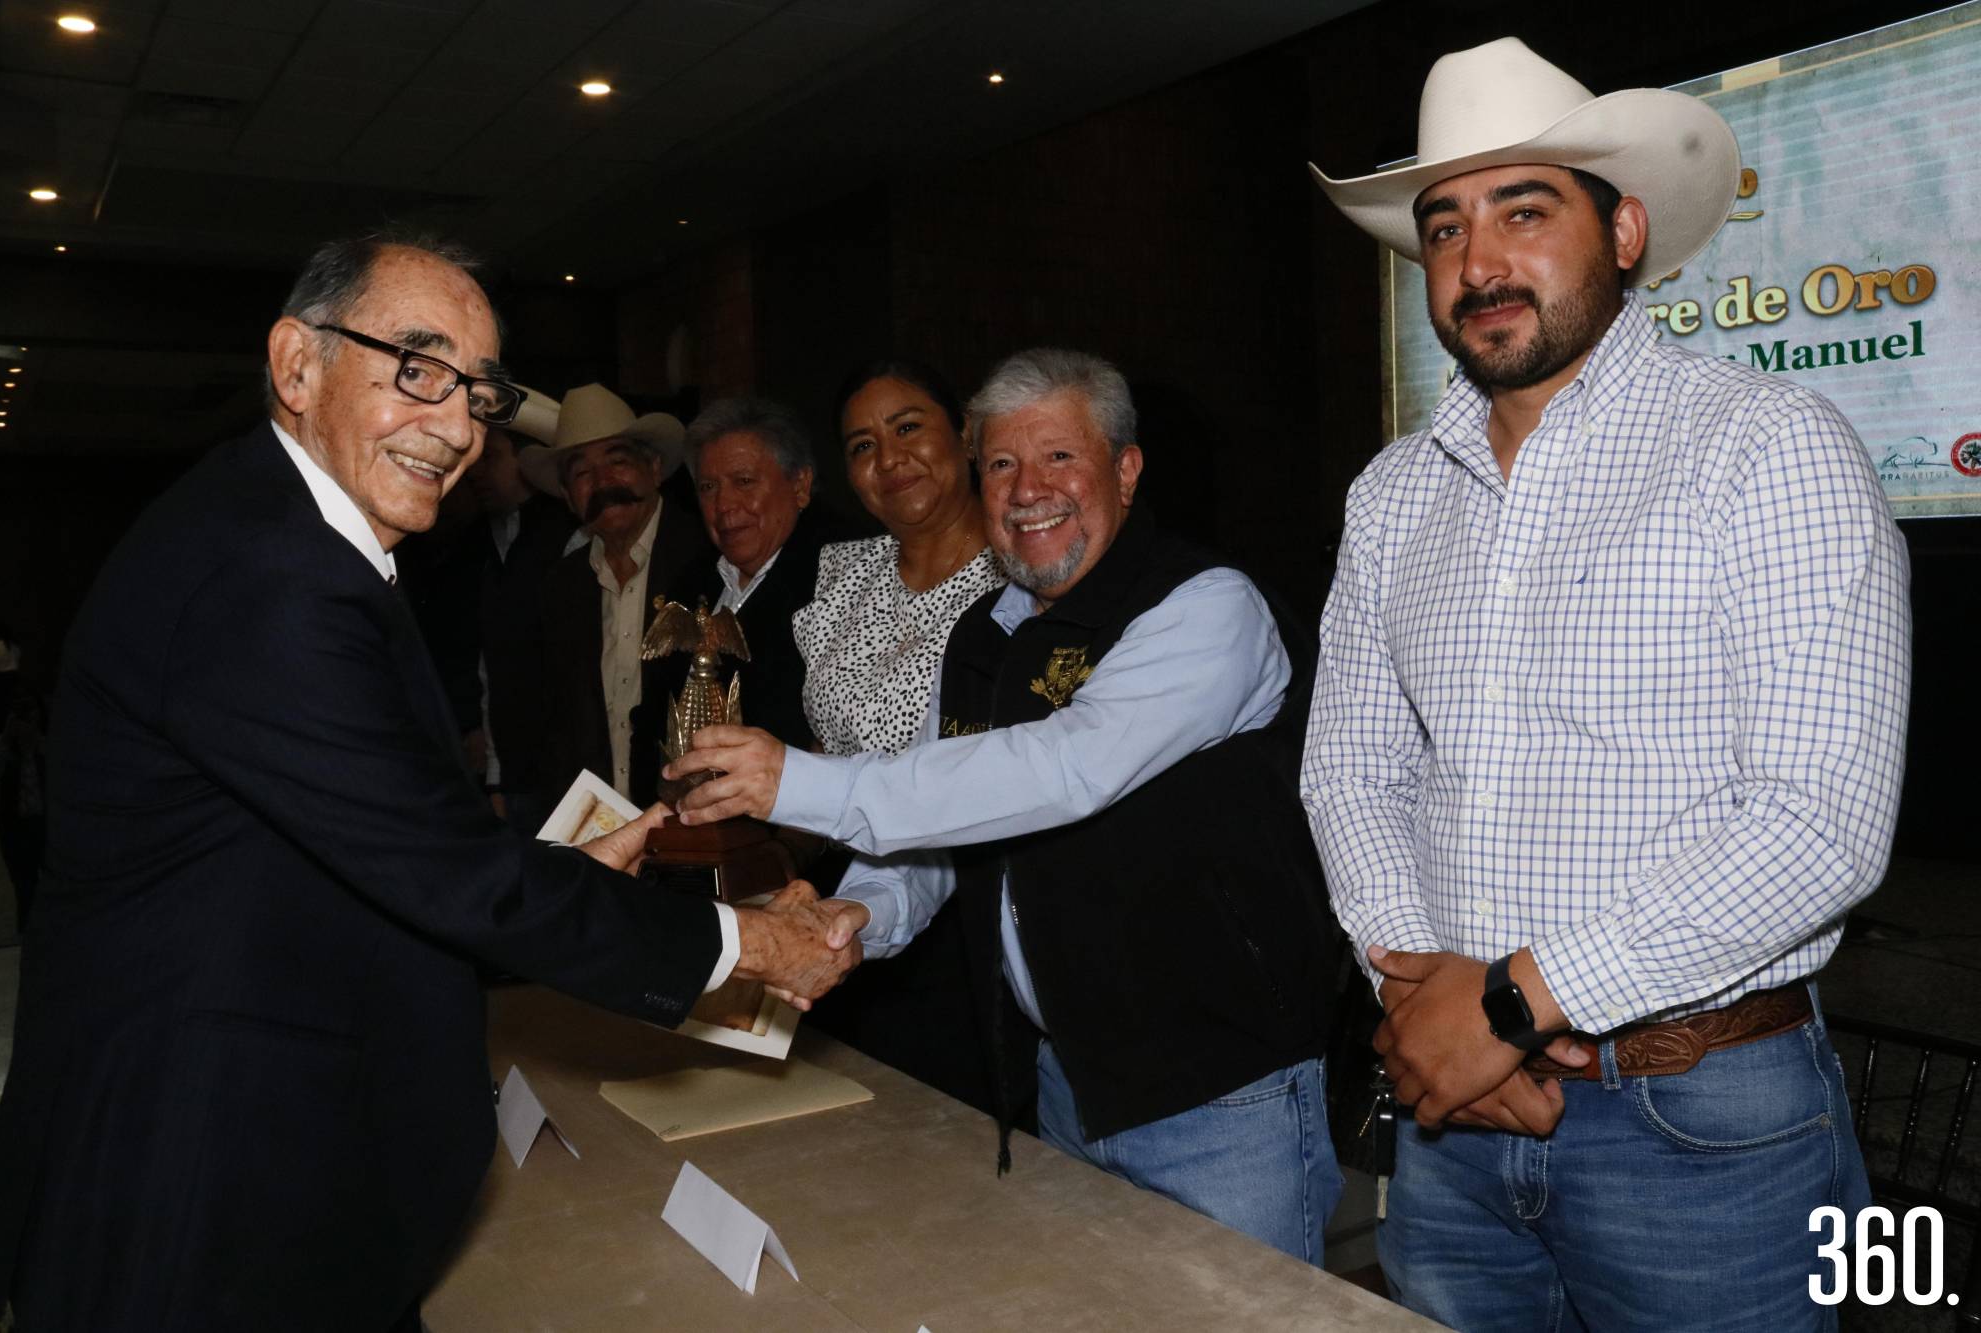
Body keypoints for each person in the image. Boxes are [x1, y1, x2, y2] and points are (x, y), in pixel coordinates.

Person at [0, 230, 858, 1333]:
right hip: (198, 1178)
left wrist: (550, 869)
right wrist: (746, 945)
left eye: (477, 392)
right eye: (417, 368)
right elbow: (444, 869)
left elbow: (356, 840)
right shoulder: (269, 572)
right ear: (296, 365)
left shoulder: (287, 531)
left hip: (251, 1142)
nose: (456, 426)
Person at [1302, 38, 1909, 1330]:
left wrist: (1506, 1005)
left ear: (1624, 232)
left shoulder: (1768, 447)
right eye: (1445, 227)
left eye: (1524, 212)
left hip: (1704, 1130)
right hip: (1457, 1120)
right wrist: (1423, 1006)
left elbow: (1819, 824)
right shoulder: (1392, 494)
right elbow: (1350, 770)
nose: (1477, 262)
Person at [668, 348, 1345, 1265]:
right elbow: (952, 815)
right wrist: (859, 911)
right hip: (1063, 1084)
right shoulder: (984, 635)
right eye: (1001, 463)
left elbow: (1062, 770)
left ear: (1126, 470)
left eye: (1060, 457)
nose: (1029, 490)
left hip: (1221, 1095)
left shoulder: (1206, 606)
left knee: (1249, 1320)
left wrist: (801, 782)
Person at [786, 360, 1005, 1109]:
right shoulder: (843, 573)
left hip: (968, 914)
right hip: (845, 902)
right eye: (862, 446)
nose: (889, 458)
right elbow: (832, 743)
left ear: (965, 433)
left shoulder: (1021, 578)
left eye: (908, 427)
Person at [520, 384, 709, 806]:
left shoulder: (705, 561)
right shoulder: (561, 586)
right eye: (582, 474)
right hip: (600, 825)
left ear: (654, 469)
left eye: (618, 461)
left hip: (692, 818)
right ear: (568, 498)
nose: (603, 482)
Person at [656, 396, 831, 751]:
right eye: (708, 487)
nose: (724, 505)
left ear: (799, 486)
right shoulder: (690, 583)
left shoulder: (834, 585)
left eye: (745, 481)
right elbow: (653, 716)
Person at [465, 394, 579, 834]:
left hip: (564, 779)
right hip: (520, 779)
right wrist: (497, 777)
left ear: (528, 461)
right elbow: (492, 666)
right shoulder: (492, 542)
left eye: (490, 457)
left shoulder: (567, 539)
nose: (475, 471)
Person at [0, 685, 44, 935]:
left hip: (44, 825)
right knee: (24, 886)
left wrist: (35, 742)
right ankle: (29, 935)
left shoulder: (47, 744)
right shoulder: (3, 748)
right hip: (16, 828)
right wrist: (8, 737)